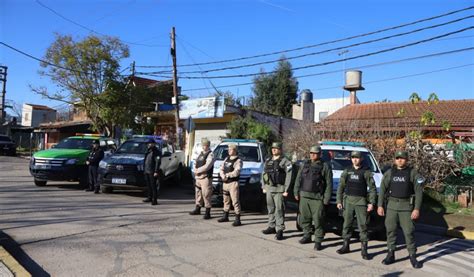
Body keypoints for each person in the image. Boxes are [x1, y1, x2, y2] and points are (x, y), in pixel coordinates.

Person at [377, 151, 424, 269]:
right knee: (390, 230)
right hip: (392, 206)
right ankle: (390, 254)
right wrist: (380, 205)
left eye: (402, 158)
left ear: (406, 160)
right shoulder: (390, 173)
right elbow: (382, 189)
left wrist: (416, 209)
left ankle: (412, 256)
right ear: (394, 160)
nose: (399, 160)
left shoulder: (412, 173)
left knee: (409, 232)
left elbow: (419, 192)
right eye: (397, 158)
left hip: (406, 207)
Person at [336, 151, 376, 260]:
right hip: (348, 201)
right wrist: (339, 201)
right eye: (353, 157)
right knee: (347, 224)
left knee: (363, 225)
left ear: (361, 159)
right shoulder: (347, 171)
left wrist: (371, 203)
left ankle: (364, 250)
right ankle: (345, 245)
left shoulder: (366, 172)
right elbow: (341, 187)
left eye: (357, 158)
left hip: (361, 202)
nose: (355, 159)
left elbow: (372, 188)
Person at [294, 145, 333, 251]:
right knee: (304, 218)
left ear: (320, 154)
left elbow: (329, 183)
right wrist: (296, 192)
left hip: (317, 198)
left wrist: (326, 198)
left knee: (318, 220)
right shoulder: (304, 164)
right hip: (304, 196)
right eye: (311, 153)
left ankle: (318, 240)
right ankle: (307, 236)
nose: (312, 155)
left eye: (315, 153)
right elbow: (298, 178)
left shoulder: (325, 166)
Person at [261, 142, 293, 240]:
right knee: (270, 208)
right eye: (273, 148)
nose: (274, 150)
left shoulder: (285, 162)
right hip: (269, 188)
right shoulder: (268, 160)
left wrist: (286, 189)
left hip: (279, 189)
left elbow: (289, 176)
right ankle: (271, 226)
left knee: (279, 210)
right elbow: (264, 173)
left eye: (276, 148)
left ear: (280, 150)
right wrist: (264, 186)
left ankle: (280, 229)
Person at [217, 143, 243, 226]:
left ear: (235, 150)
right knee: (225, 200)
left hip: (233, 183)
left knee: (235, 201)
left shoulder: (238, 160)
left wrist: (227, 175)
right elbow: (221, 168)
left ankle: (237, 219)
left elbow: (237, 171)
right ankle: (225, 216)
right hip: (225, 183)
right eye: (228, 149)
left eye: (230, 149)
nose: (228, 150)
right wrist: (222, 175)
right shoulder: (226, 159)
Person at [189, 138, 215, 219]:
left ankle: (207, 212)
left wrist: (198, 170)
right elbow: (196, 162)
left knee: (206, 194)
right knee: (198, 194)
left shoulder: (210, 154)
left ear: (208, 145)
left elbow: (207, 166)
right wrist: (195, 170)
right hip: (198, 177)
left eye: (206, 145)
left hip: (205, 177)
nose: (204, 147)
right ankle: (198, 208)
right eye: (203, 145)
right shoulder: (201, 154)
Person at [143, 138, 161, 206]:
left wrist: (156, 171)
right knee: (149, 185)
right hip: (147, 170)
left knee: (153, 186)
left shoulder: (156, 152)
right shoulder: (148, 151)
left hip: (152, 171)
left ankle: (154, 200)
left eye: (150, 143)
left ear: (153, 144)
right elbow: (146, 160)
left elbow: (157, 162)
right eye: (148, 144)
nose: (148, 145)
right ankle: (149, 197)